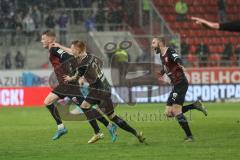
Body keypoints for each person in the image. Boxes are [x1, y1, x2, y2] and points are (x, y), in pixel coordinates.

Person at [53, 40, 146, 143]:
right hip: (105, 88)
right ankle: (136, 133)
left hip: (97, 90)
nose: (72, 51)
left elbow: (76, 77)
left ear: (78, 50)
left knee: (85, 106)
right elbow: (75, 57)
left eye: (73, 49)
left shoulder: (82, 64)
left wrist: (69, 79)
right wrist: (59, 46)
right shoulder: (90, 56)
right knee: (112, 116)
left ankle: (98, 132)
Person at [41, 30, 117, 143]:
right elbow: (71, 55)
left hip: (70, 85)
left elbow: (70, 57)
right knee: (48, 102)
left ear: (49, 39)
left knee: (85, 108)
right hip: (64, 85)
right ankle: (62, 128)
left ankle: (106, 127)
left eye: (43, 38)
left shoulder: (54, 49)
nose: (41, 41)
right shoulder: (55, 49)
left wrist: (76, 75)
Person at [151, 37, 207, 142]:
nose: (152, 45)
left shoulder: (169, 51)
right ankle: (195, 105)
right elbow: (166, 66)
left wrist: (181, 65)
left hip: (180, 83)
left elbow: (177, 59)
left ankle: (190, 137)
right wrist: (161, 73)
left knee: (176, 111)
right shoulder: (161, 55)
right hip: (176, 85)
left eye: (153, 42)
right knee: (169, 113)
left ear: (160, 43)